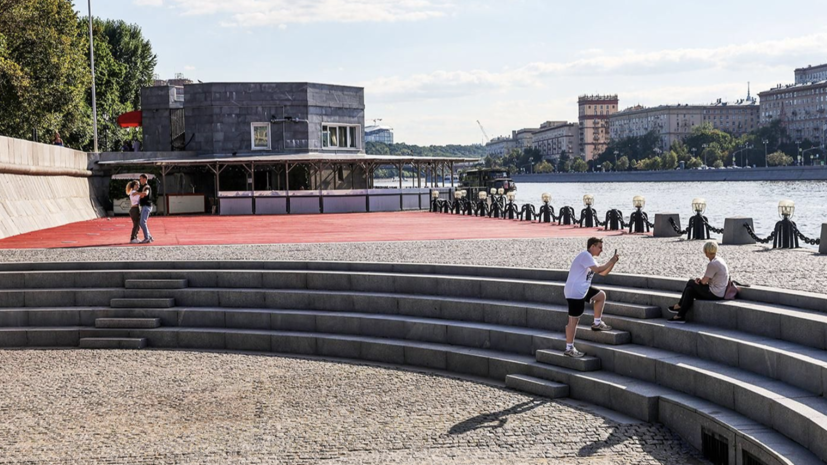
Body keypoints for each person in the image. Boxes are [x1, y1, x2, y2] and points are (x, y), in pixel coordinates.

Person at [563, 237, 620, 358]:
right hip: (575, 292)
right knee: (573, 321)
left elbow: (603, 273)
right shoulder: (585, 255)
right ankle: (569, 348)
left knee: (600, 296)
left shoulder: (590, 259)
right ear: (592, 246)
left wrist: (613, 263)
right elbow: (599, 270)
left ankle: (597, 323)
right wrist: (610, 260)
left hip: (582, 289)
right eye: (599, 247)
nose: (601, 250)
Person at [668, 241, 728, 323]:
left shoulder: (713, 264)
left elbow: (703, 282)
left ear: (706, 252)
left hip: (715, 293)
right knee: (689, 290)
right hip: (719, 291)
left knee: (690, 282)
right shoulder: (719, 260)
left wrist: (699, 281)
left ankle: (679, 305)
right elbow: (708, 279)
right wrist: (700, 280)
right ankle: (680, 316)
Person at [137, 174, 154, 243]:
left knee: (142, 222)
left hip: (146, 206)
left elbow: (146, 193)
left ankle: (147, 237)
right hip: (145, 206)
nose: (140, 180)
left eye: (141, 179)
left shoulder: (146, 187)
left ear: (145, 179)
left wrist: (138, 194)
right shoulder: (144, 187)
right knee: (142, 222)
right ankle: (149, 237)